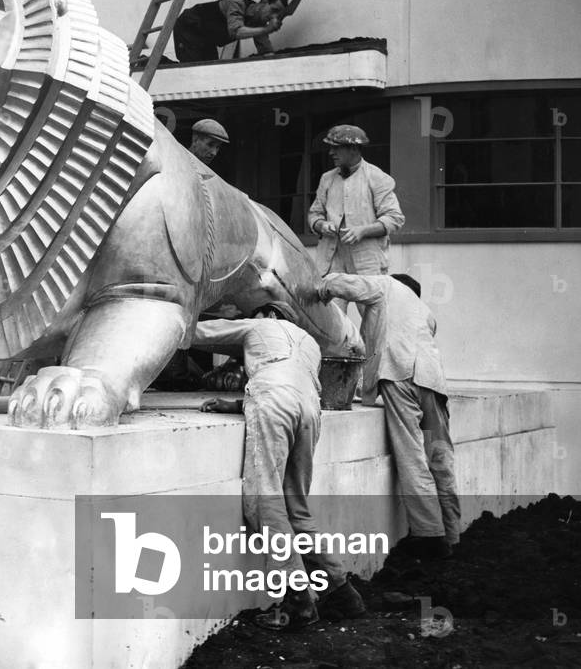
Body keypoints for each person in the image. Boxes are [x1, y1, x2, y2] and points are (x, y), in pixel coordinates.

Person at [195, 305, 366, 629]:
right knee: (296, 507)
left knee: (265, 500)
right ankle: (342, 592)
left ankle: (298, 599)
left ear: (268, 315)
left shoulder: (259, 326)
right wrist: (234, 405)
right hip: (311, 411)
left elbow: (195, 333)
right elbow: (291, 386)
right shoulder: (309, 343)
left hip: (273, 399)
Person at [317, 273, 460, 559]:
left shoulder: (385, 286)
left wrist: (319, 286)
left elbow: (344, 284)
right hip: (432, 383)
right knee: (438, 455)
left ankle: (429, 536)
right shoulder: (426, 312)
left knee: (411, 454)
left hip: (401, 377)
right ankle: (453, 534)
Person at [307, 125, 405, 278]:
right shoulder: (327, 179)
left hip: (368, 264)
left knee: (371, 302)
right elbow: (314, 214)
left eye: (336, 148)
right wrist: (321, 225)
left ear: (353, 148)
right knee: (328, 303)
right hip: (331, 263)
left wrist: (362, 231)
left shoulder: (377, 177)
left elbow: (394, 218)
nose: (331, 152)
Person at [173, 0, 288, 63]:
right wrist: (267, 29)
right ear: (263, 2)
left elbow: (266, 50)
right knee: (193, 69)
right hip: (189, 27)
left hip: (207, 38)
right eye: (274, 10)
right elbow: (236, 31)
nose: (273, 17)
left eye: (277, 14)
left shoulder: (258, 22)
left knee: (211, 71)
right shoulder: (236, 3)